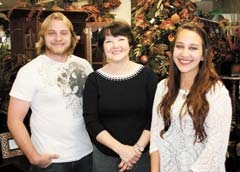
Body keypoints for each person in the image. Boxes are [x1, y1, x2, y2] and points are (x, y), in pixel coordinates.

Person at [7, 12, 93, 172]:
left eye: (64, 33)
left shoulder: (85, 65)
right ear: (43, 37)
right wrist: (33, 156)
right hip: (50, 161)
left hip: (86, 155)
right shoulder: (29, 71)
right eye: (52, 33)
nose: (58, 38)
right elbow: (14, 120)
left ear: (72, 36)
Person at [150, 22, 232, 172]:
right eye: (180, 46)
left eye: (193, 48)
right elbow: (156, 138)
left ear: (203, 54)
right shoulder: (163, 87)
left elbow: (215, 148)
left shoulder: (217, 93)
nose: (184, 54)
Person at [82, 20, 158, 172]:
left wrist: (136, 150)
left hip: (142, 156)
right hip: (105, 158)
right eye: (109, 41)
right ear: (103, 47)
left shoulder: (148, 76)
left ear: (130, 43)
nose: (115, 46)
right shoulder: (94, 80)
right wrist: (122, 150)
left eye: (121, 39)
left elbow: (155, 117)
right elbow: (91, 121)